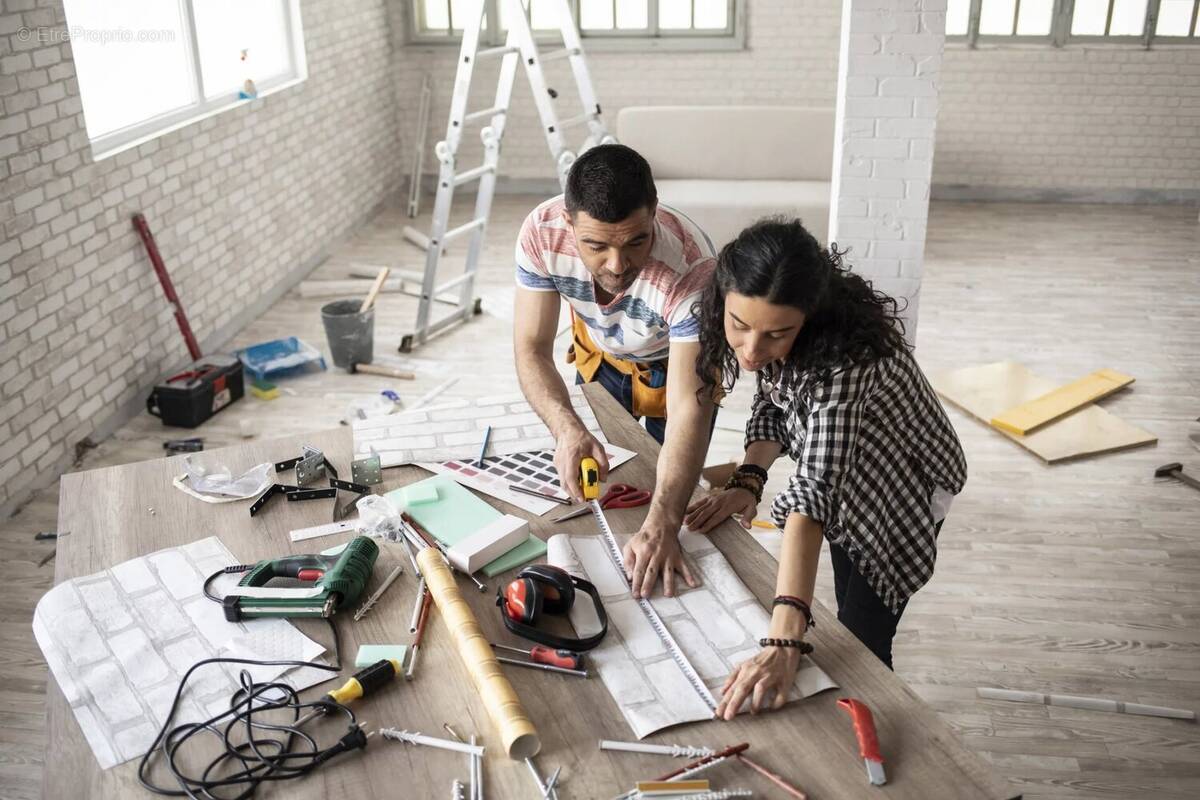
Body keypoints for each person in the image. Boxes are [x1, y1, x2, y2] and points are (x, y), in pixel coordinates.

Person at [681, 218, 966, 719]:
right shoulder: (772, 335)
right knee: (841, 581)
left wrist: (784, 636)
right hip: (847, 475)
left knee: (864, 639)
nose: (750, 352)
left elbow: (813, 494)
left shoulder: (846, 363)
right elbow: (773, 404)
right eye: (739, 326)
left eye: (776, 335)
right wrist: (749, 479)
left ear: (809, 319)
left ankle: (880, 732)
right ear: (723, 298)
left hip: (904, 482)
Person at [513, 144, 717, 598]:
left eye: (635, 242)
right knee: (604, 481)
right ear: (569, 224)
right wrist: (567, 429)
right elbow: (531, 348)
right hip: (600, 352)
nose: (617, 265)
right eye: (596, 245)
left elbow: (689, 407)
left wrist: (664, 523)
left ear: (655, 215)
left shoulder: (693, 268)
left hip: (674, 364)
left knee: (667, 497)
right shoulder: (542, 232)